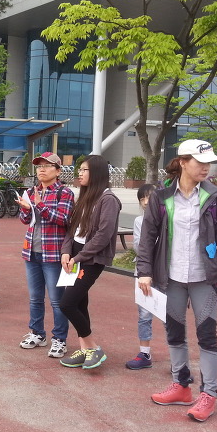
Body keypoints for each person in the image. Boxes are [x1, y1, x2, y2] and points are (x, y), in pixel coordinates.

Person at [137, 139, 217, 422]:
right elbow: (147, 239)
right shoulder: (161, 197)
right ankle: (181, 386)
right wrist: (144, 271)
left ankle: (209, 393)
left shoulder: (215, 197)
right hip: (170, 278)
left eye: (209, 163)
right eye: (200, 162)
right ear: (182, 162)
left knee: (207, 336)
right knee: (174, 333)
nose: (206, 168)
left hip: (204, 278)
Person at [58, 155, 121, 369]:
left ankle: (93, 347)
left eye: (84, 170)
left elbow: (103, 235)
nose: (80, 173)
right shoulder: (84, 197)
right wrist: (66, 251)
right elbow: (72, 229)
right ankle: (85, 350)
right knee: (79, 303)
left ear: (97, 173)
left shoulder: (108, 200)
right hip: (76, 255)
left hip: (91, 258)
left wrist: (78, 257)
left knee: (67, 304)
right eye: (80, 170)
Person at [17, 152, 75, 358]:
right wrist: (26, 208)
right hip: (31, 251)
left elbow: (63, 219)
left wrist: (39, 205)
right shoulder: (30, 191)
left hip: (53, 254)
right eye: (39, 166)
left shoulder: (64, 193)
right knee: (35, 298)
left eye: (47, 166)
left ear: (58, 171)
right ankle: (37, 333)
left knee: (57, 300)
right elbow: (26, 220)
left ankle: (59, 339)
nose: (41, 169)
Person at [126, 183, 158, 369]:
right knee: (144, 314)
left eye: (149, 197)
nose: (145, 202)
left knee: (171, 315)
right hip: (143, 271)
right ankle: (144, 353)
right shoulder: (140, 221)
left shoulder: (167, 219)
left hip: (165, 273)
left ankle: (178, 358)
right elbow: (139, 247)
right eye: (142, 199)